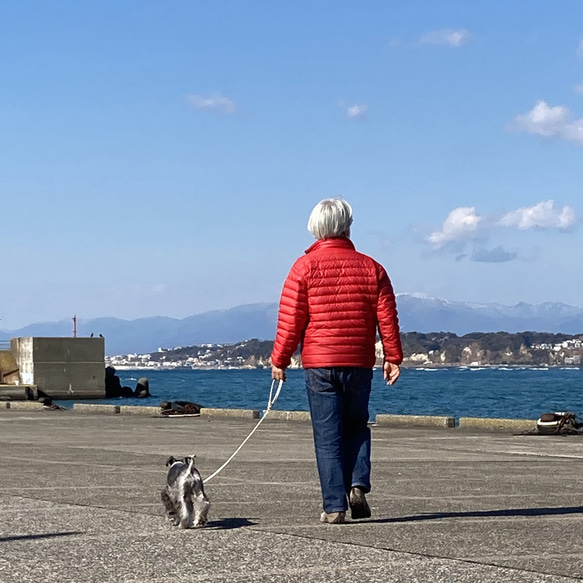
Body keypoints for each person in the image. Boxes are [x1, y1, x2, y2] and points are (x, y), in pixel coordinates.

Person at [271, 198, 403, 524]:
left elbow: (291, 319)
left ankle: (334, 506)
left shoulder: (303, 267)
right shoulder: (373, 268)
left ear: (316, 228)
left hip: (320, 363)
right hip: (359, 361)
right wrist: (393, 356)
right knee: (357, 426)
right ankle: (357, 484)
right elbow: (386, 316)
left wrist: (280, 359)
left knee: (327, 435)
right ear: (347, 225)